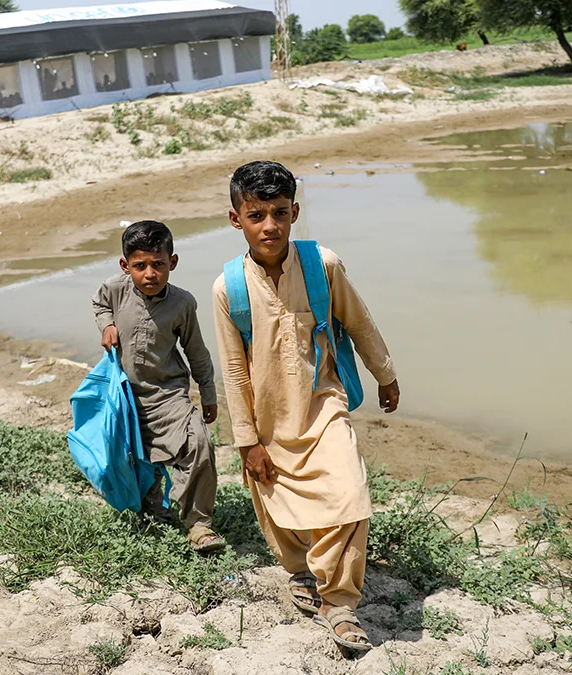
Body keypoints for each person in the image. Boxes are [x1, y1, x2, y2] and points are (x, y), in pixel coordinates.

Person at [211, 161, 401, 652]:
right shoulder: (227, 288)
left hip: (325, 405)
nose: (269, 226)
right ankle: (300, 570)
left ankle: (338, 603)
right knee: (278, 503)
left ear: (295, 212)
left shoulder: (324, 266)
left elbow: (359, 322)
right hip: (269, 420)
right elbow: (234, 370)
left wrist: (386, 373)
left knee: (351, 494)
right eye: (256, 215)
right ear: (237, 219)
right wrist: (248, 440)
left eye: (279, 213)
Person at [92, 220, 225, 552]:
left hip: (168, 394)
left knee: (197, 443)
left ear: (173, 263)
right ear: (126, 266)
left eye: (158, 264)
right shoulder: (114, 288)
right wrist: (107, 324)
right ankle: (150, 511)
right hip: (125, 395)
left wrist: (207, 392)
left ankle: (198, 524)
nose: (150, 274)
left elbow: (196, 351)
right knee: (134, 459)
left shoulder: (182, 304)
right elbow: (100, 304)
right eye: (140, 266)